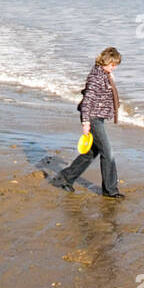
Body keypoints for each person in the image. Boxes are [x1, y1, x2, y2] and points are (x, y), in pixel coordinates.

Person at [54, 48, 124, 198]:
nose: (114, 67)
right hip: (92, 118)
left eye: (115, 65)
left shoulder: (105, 74)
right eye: (113, 64)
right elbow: (87, 102)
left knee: (92, 152)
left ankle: (65, 177)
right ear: (106, 61)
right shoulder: (96, 77)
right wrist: (85, 122)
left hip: (97, 117)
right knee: (108, 153)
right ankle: (110, 190)